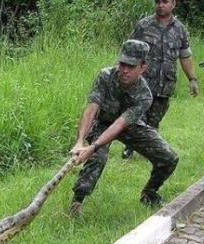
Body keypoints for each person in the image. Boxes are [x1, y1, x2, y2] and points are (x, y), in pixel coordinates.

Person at [68, 39, 179, 216]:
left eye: (131, 66)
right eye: (122, 64)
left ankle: (149, 193)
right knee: (98, 157)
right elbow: (91, 108)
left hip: (129, 126)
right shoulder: (105, 76)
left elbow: (121, 123)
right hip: (102, 124)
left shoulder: (144, 95)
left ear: (143, 67)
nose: (125, 70)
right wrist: (81, 142)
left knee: (169, 157)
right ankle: (77, 202)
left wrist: (93, 146)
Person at [122, 0, 198, 159]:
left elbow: (185, 56)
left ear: (173, 4)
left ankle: (150, 150)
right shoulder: (143, 25)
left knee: (154, 122)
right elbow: (128, 52)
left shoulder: (180, 29)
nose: (160, 5)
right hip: (143, 83)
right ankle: (131, 147)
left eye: (165, 2)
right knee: (137, 116)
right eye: (157, 2)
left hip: (165, 85)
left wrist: (192, 79)